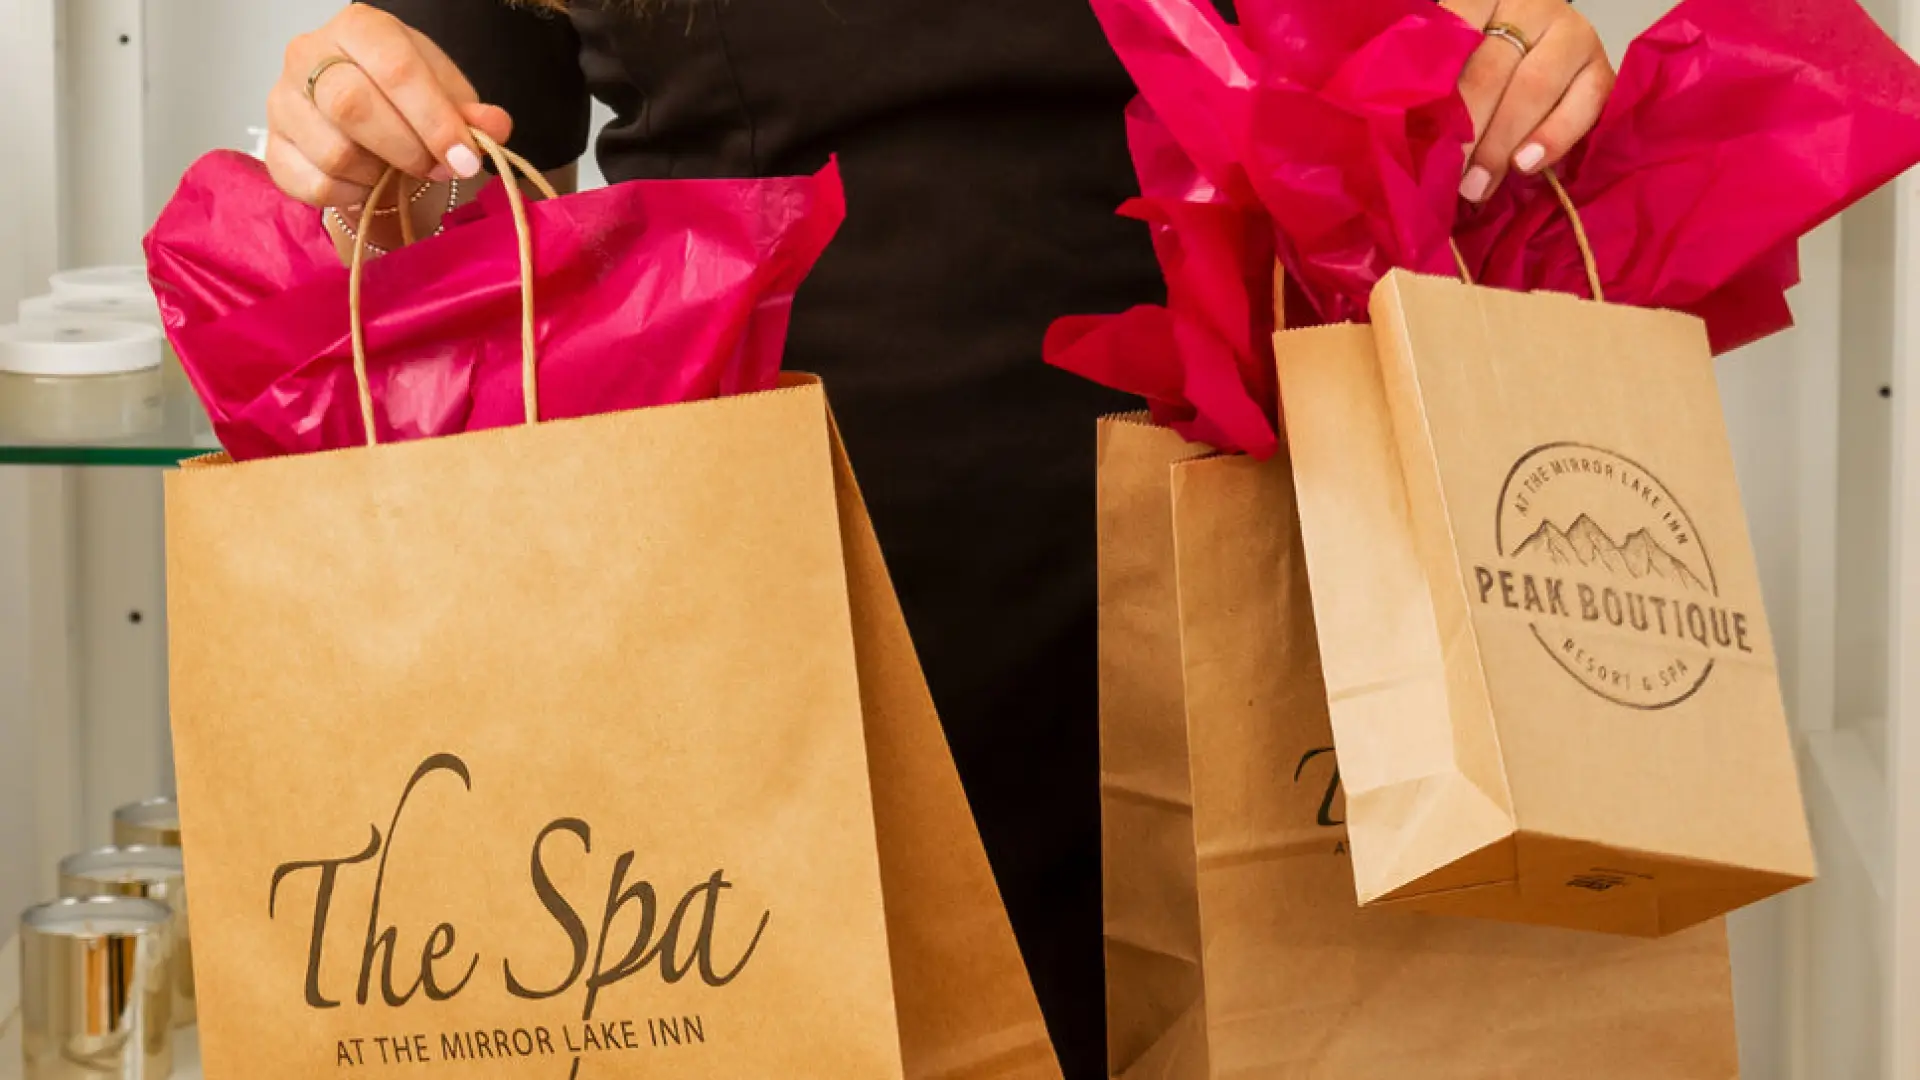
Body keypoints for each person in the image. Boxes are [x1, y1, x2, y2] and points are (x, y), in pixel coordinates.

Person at [263, 2, 1615, 1074]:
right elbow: (459, 159)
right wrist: (362, 122)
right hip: (755, 621)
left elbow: (1431, 50)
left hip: (1272, 592)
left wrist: (1511, 59)